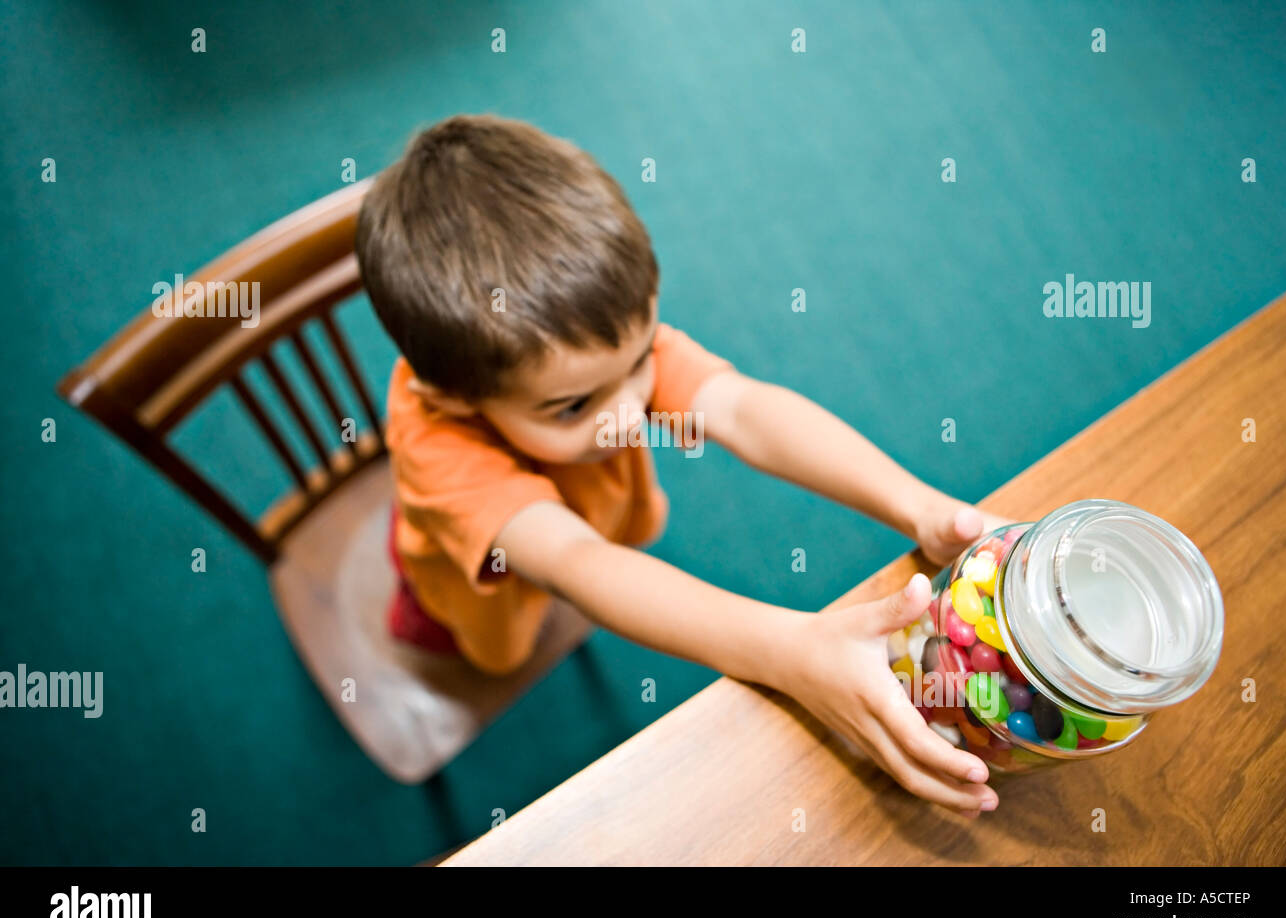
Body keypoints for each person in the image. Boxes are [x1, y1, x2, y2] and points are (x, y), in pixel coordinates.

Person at [355, 113, 1011, 819]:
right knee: (488, 646)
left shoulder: (585, 347)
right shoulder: (441, 450)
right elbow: (579, 564)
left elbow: (742, 410)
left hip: (574, 527)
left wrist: (919, 508)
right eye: (573, 408)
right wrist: (791, 652)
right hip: (470, 588)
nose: (631, 413)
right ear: (451, 395)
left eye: (642, 362)